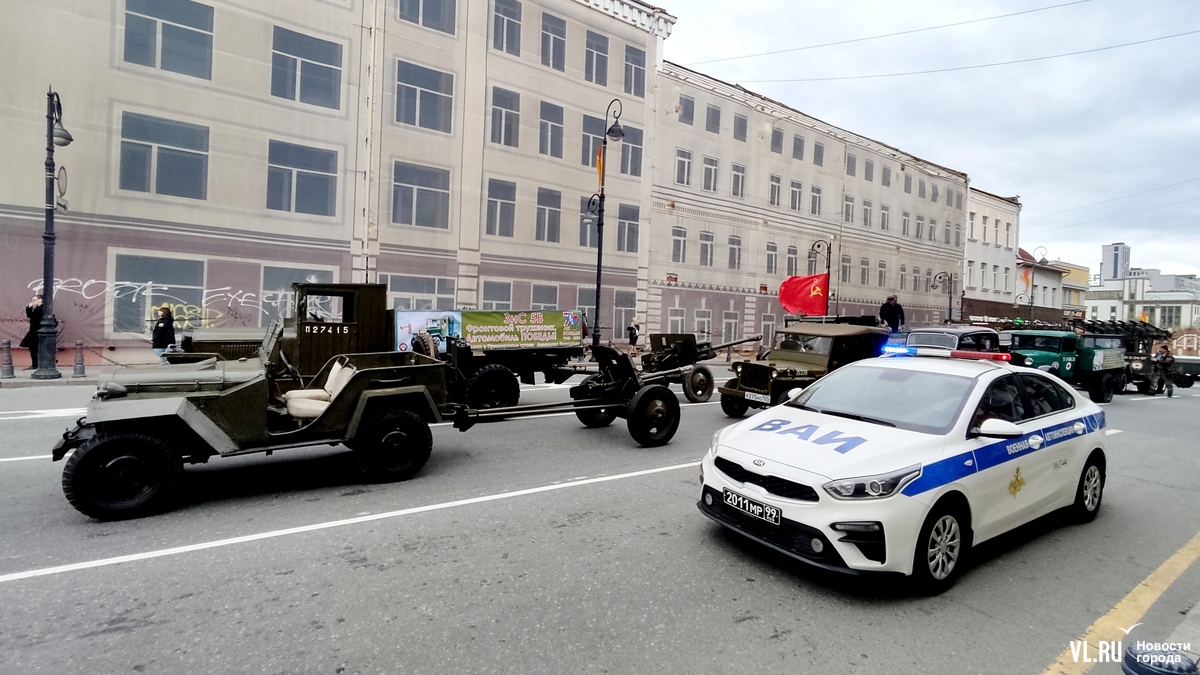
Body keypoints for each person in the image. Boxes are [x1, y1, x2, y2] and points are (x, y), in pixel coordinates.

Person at [20, 293, 43, 370]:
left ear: (40, 300)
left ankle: (36, 364)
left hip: (38, 331)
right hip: (34, 331)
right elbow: (30, 316)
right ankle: (36, 363)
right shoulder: (36, 308)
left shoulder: (42, 308)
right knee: (33, 348)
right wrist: (29, 308)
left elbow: (35, 316)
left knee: (34, 348)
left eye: (34, 300)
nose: (32, 302)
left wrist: (30, 308)